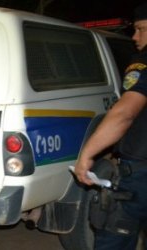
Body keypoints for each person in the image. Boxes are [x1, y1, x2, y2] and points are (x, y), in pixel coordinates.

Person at [73, 3, 147, 250]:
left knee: (115, 235)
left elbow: (124, 113)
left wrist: (87, 154)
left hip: (141, 174)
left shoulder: (144, 63)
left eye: (141, 29)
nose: (135, 37)